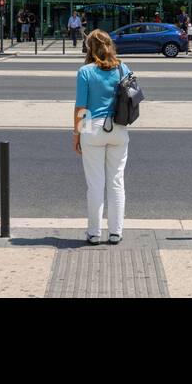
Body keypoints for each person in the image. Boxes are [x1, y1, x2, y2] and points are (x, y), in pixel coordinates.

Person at [73, 29, 130, 245]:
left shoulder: (85, 71)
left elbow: (81, 107)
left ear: (90, 48)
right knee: (116, 182)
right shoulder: (123, 68)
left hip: (91, 127)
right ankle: (116, 232)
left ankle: (94, 233)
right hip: (118, 127)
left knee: (95, 184)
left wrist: (76, 134)